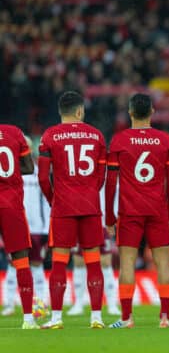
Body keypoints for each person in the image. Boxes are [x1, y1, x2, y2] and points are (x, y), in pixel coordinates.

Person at [103, 93, 169, 329]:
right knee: (163, 262)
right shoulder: (165, 140)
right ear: (152, 112)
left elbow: (110, 183)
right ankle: (165, 317)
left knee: (127, 263)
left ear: (130, 112)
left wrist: (109, 217)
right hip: (157, 210)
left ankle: (127, 318)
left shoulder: (119, 140)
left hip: (130, 211)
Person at [38, 91, 106, 329]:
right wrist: (89, 191)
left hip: (63, 206)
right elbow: (101, 177)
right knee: (93, 262)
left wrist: (52, 200)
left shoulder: (50, 135)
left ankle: (56, 318)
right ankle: (96, 317)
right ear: (79, 111)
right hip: (90, 205)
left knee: (59, 263)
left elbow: (43, 178)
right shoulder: (96, 135)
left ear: (61, 111)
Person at [2, 136, 50, 316]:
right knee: (13, 265)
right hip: (16, 224)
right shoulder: (8, 174)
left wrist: (47, 228)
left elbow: (45, 202)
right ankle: (9, 304)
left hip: (37, 227)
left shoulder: (38, 174)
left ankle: (41, 304)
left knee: (37, 266)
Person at [0, 124, 37, 329]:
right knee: (21, 262)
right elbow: (30, 167)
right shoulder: (14, 132)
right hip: (11, 204)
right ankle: (28, 319)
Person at [67, 185, 120, 317]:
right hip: (81, 220)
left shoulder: (107, 174)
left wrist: (112, 219)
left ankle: (112, 304)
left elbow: (115, 195)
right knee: (79, 261)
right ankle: (78, 303)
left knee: (106, 263)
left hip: (102, 223)